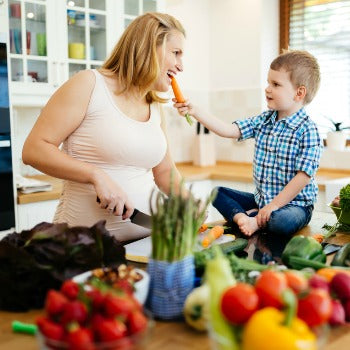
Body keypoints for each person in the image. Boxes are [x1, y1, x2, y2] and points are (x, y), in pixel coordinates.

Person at [22, 12, 186, 242]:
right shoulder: (88, 84)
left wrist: (190, 205)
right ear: (149, 47)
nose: (181, 66)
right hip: (82, 247)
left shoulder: (155, 104)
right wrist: (95, 175)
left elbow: (165, 171)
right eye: (176, 53)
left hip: (145, 245)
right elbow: (33, 150)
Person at [174, 50, 323, 237]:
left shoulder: (308, 130)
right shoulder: (263, 120)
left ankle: (256, 220)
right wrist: (194, 111)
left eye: (275, 84)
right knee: (218, 192)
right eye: (268, 82)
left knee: (281, 223)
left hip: (294, 206)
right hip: (262, 202)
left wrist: (273, 206)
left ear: (299, 93)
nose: (267, 88)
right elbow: (228, 130)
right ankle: (244, 218)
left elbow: (303, 177)